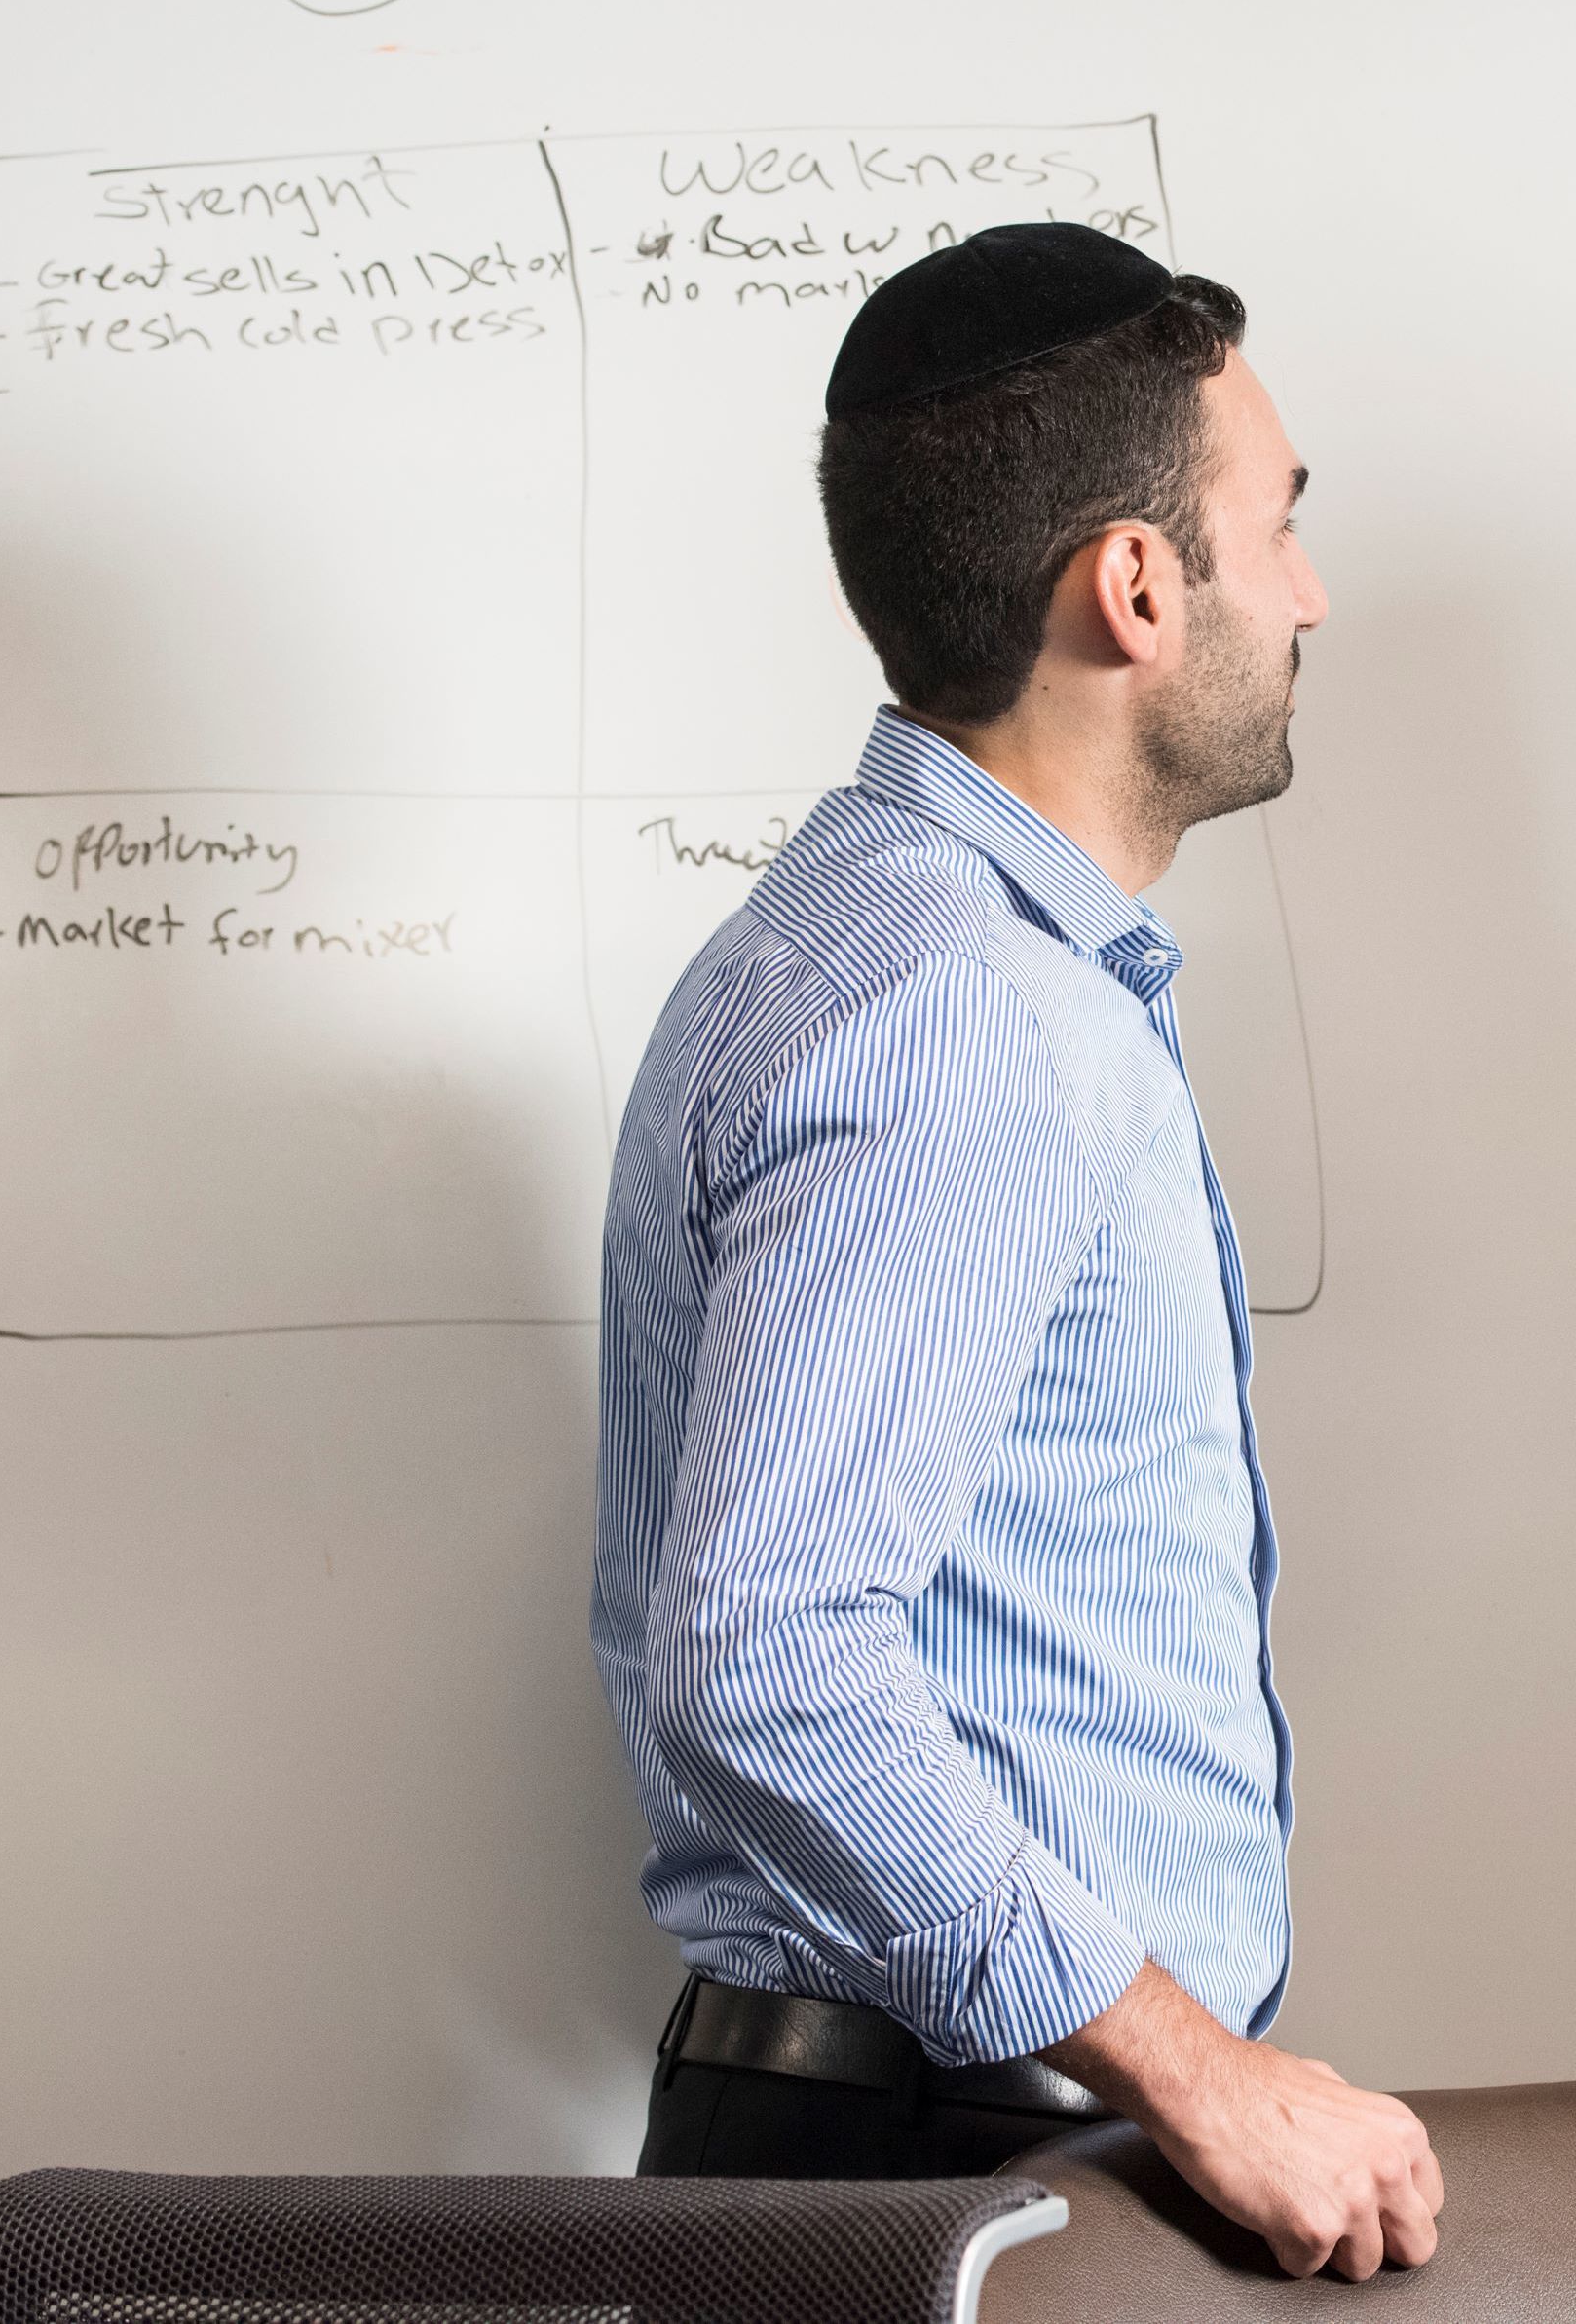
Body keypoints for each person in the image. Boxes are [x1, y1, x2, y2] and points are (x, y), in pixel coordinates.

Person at [590, 221, 1443, 2281]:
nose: (1311, 592)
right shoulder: (962, 1009)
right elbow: (769, 1663)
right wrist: (1194, 2069)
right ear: (1136, 587)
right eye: (1280, 526)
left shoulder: (878, 947)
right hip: (944, 2175)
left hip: (961, 2144)